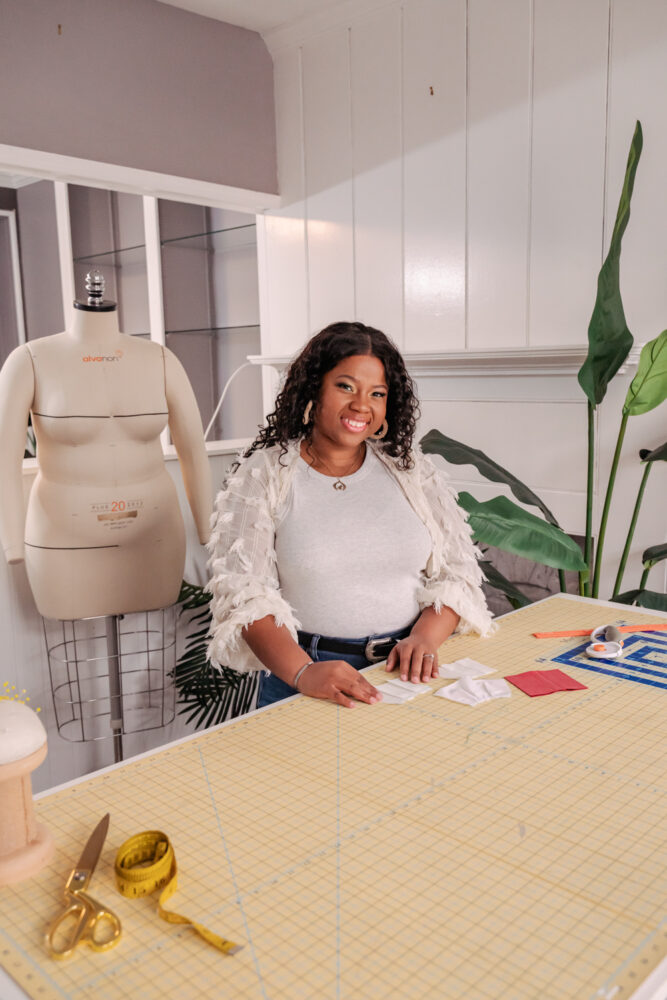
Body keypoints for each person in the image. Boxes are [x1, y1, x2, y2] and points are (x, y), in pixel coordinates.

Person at [207, 321, 494, 709]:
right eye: (345, 387)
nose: (362, 405)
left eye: (377, 393)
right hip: (307, 673)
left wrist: (425, 638)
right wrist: (303, 672)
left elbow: (456, 574)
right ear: (314, 389)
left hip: (406, 671)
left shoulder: (410, 470)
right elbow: (245, 595)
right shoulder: (264, 474)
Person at [0, 290, 212, 621]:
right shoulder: (29, 359)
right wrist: (12, 544)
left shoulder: (160, 359)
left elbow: (193, 449)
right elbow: (4, 460)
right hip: (64, 538)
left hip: (154, 533)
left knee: (152, 641)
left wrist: (206, 527)